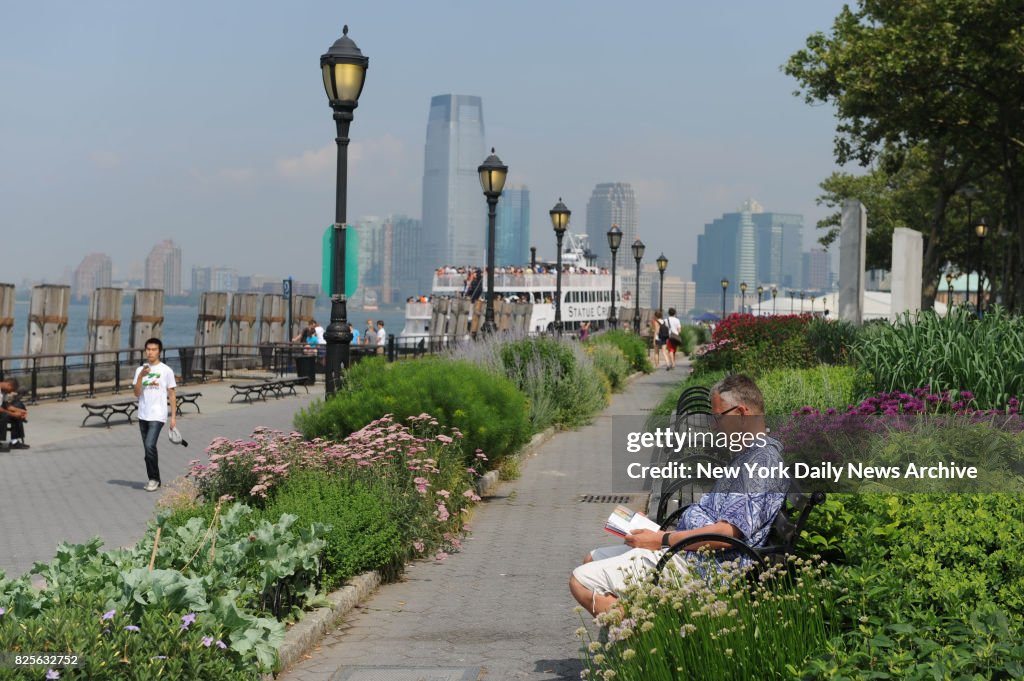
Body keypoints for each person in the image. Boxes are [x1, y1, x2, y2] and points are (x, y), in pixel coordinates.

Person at [569, 374, 787, 616]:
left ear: (742, 414)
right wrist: (654, 530)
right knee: (591, 559)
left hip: (703, 567)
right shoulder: (748, 455)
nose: (715, 425)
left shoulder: (761, 463)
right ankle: (639, 626)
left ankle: (640, 632)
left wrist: (661, 539)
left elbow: (727, 535)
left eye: (718, 417)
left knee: (580, 580)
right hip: (688, 552)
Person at [132, 338, 176, 492]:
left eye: (153, 349)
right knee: (148, 450)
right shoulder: (140, 370)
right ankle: (155, 478)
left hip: (158, 415)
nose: (150, 352)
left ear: (159, 351)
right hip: (143, 414)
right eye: (148, 349)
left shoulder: (166, 370)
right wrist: (140, 377)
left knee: (150, 445)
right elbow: (137, 393)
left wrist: (173, 418)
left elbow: (171, 394)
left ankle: (153, 479)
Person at [0, 378, 29, 451]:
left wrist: (20, 411)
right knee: (5, 415)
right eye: (11, 390)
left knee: (18, 408)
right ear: (8, 385)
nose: (10, 393)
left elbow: (6, 405)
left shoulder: (4, 392)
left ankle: (14, 442)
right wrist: (14, 414)